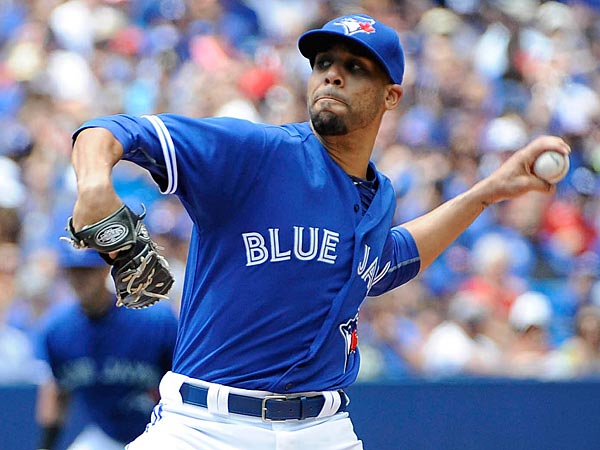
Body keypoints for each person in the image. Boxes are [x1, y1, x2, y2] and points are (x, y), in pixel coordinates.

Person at [67, 13, 570, 450]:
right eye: (324, 62)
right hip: (206, 425)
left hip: (322, 429)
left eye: (355, 68)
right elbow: (110, 130)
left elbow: (391, 259)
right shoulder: (255, 154)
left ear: (391, 95)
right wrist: (93, 186)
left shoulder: (379, 197)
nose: (332, 76)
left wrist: (487, 192)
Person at [35, 245, 178, 450]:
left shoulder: (155, 320)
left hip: (163, 432)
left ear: (105, 269)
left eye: (87, 271)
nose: (80, 279)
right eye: (74, 271)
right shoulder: (57, 330)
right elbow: (56, 392)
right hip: (108, 435)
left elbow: (184, 378)